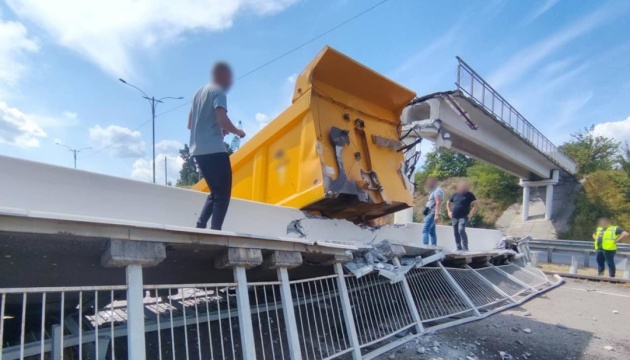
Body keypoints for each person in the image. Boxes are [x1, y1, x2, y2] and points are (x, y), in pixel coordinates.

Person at [188, 62, 246, 230]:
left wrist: (219, 129)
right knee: (223, 195)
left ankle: (200, 225)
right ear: (221, 76)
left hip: (198, 150)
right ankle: (216, 232)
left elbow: (190, 124)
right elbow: (221, 118)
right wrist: (236, 131)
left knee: (215, 192)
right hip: (214, 149)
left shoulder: (198, 94)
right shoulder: (218, 91)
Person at [447, 180, 478, 251]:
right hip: (454, 216)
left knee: (461, 229)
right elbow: (448, 202)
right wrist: (449, 211)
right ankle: (458, 247)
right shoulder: (455, 195)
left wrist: (471, 214)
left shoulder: (469, 195)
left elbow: (475, 205)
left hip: (463, 216)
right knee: (455, 232)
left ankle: (465, 247)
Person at [422, 177, 444, 246]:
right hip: (431, 212)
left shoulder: (437, 190)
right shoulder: (435, 191)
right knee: (432, 232)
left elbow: (438, 202)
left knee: (425, 230)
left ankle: (425, 247)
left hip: (432, 212)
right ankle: (434, 247)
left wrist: (436, 215)